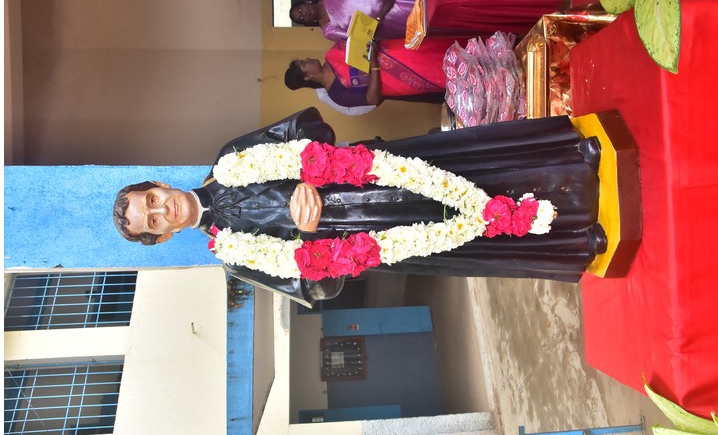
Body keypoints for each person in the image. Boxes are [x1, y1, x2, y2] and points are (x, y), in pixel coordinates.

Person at [113, 107, 606, 307]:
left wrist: (311, 167)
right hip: (373, 237)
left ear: (159, 184)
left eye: (151, 200)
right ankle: (574, 235)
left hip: (371, 172)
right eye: (153, 221)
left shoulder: (230, 159)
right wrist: (308, 236)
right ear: (165, 236)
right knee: (467, 237)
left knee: (469, 169)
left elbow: (308, 123)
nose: (162, 210)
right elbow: (316, 288)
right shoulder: (233, 256)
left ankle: (567, 156)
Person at [284, 37, 455, 108]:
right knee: (444, 74)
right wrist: (373, 65)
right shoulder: (336, 94)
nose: (308, 59)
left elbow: (361, 41)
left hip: (399, 49)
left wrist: (369, 41)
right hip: (403, 79)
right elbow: (371, 99)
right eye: (304, 63)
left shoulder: (333, 53)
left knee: (442, 49)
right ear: (308, 76)